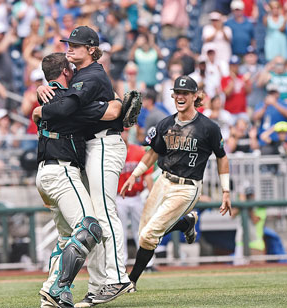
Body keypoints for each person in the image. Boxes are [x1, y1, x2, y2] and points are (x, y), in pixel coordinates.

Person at [35, 26, 134, 307]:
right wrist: (47, 89)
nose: (70, 47)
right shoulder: (80, 76)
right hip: (91, 146)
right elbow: (74, 101)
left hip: (104, 143)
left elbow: (67, 108)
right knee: (91, 222)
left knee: (102, 212)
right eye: (69, 43)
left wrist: (42, 108)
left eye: (77, 45)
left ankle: (115, 278)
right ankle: (98, 284)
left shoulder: (91, 74)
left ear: (91, 49)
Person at [120, 75, 232, 288]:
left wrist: (226, 191)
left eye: (185, 93)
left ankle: (131, 281)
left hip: (187, 187)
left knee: (149, 234)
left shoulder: (208, 127)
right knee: (145, 235)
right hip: (163, 180)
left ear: (194, 96)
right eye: (177, 93)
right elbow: (154, 152)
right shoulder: (166, 123)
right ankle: (185, 223)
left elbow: (222, 156)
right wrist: (135, 174)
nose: (180, 96)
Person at [116, 128, 154, 265]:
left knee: (142, 230)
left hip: (137, 196)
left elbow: (148, 175)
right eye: (121, 131)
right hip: (119, 197)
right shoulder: (112, 153)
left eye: (125, 131)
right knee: (120, 232)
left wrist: (152, 195)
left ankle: (147, 264)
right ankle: (121, 264)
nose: (123, 134)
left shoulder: (138, 151)